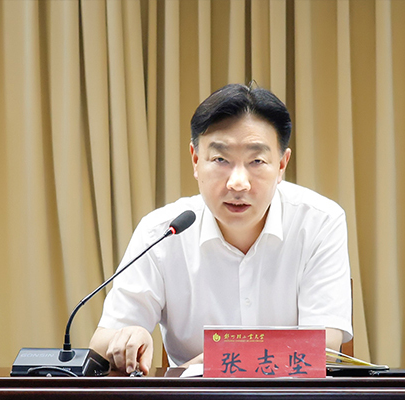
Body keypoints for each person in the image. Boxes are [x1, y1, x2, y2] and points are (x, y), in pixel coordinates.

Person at [89, 83, 352, 375]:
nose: (238, 183)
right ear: (195, 160)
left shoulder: (319, 222)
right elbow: (102, 342)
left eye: (257, 161)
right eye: (220, 160)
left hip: (290, 397)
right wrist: (127, 336)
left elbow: (323, 347)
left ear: (281, 165)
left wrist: (200, 367)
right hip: (192, 399)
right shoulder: (162, 232)